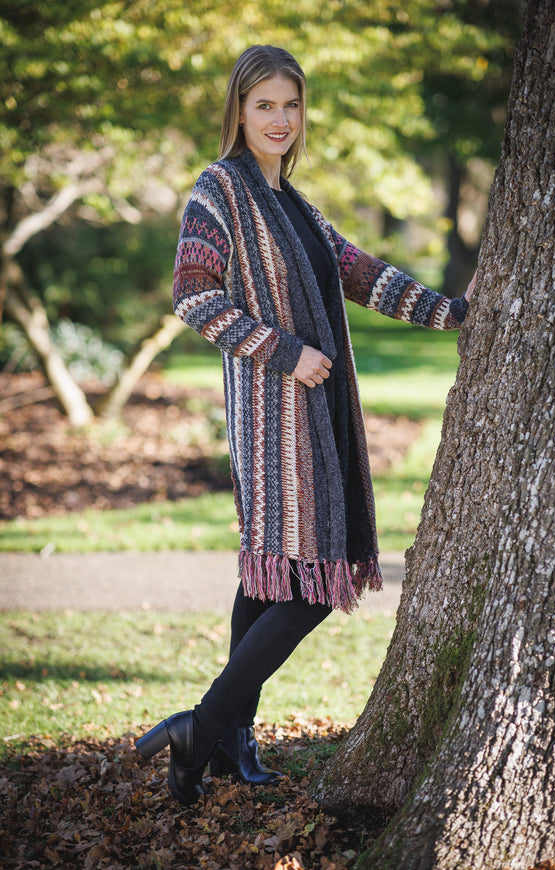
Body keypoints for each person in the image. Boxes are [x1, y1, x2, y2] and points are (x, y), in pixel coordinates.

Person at [136, 44, 476, 805]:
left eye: (290, 104)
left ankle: (226, 741)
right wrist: (287, 352)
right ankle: (204, 726)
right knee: (312, 582)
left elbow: (361, 273)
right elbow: (193, 295)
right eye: (265, 105)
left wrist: (455, 312)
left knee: (268, 577)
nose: (280, 118)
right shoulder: (219, 189)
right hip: (273, 416)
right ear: (239, 110)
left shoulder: (292, 200)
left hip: (312, 412)